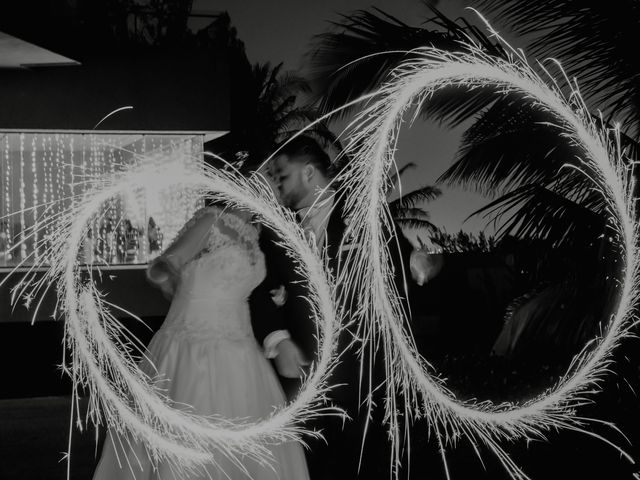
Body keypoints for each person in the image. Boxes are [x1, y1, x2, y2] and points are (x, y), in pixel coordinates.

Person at [92, 203, 310, 480]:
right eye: (268, 176)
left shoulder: (255, 233)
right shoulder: (212, 219)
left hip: (242, 349)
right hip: (193, 344)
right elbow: (165, 266)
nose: (274, 188)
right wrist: (179, 285)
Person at [251, 135, 417, 480]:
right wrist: (278, 338)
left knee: (367, 466)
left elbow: (401, 275)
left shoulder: (366, 216)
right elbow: (258, 290)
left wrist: (422, 267)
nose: (276, 185)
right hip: (303, 378)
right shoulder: (275, 232)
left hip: (366, 378)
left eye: (282, 175)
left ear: (309, 172)